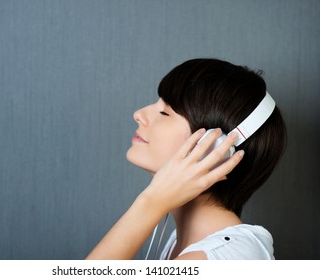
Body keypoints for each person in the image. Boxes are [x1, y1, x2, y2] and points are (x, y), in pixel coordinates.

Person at [86, 58, 287, 260]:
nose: (138, 114)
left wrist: (152, 202)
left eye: (165, 112)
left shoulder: (230, 257)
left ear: (215, 148)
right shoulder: (181, 240)